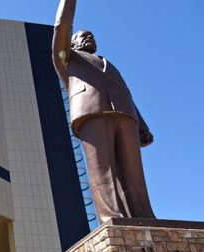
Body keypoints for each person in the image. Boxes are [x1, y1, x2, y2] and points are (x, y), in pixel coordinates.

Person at [52, 0, 156, 224]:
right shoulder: (66, 60)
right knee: (103, 170)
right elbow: (62, 25)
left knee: (134, 172)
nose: (89, 37)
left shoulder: (109, 63)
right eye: (82, 35)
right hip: (91, 113)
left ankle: (144, 216)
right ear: (71, 42)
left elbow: (127, 93)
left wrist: (143, 126)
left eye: (91, 35)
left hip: (126, 116)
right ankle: (111, 216)